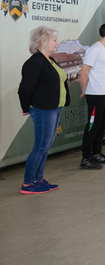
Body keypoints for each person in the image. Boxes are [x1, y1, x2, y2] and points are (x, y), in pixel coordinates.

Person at [17, 26, 70, 194]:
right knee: (41, 146)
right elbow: (24, 89)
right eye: (54, 40)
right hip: (43, 109)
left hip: (54, 107)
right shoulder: (35, 62)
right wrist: (25, 107)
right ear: (42, 41)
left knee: (45, 146)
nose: (58, 43)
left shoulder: (50, 60)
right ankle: (28, 183)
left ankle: (38, 179)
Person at [77, 22, 105, 170]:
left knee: (102, 125)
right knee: (93, 126)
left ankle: (97, 153)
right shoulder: (95, 49)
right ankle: (86, 158)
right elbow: (83, 73)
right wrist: (85, 91)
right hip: (95, 94)